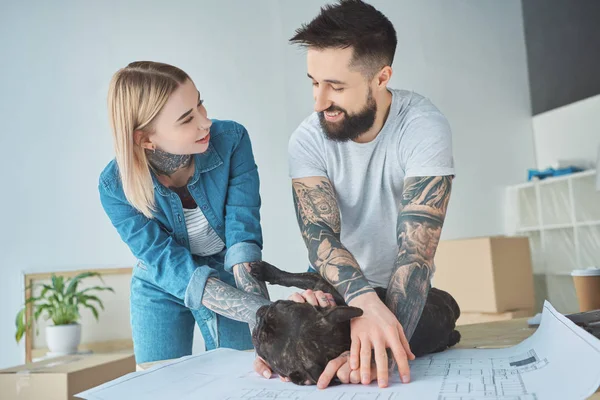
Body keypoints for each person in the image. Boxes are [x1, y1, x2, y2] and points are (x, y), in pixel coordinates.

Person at [256, 0, 455, 389]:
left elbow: (415, 254)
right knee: (292, 332)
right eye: (314, 82)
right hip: (338, 294)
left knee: (443, 313)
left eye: (336, 86)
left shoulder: (424, 127)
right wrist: (362, 303)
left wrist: (373, 342)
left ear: (381, 77)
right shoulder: (308, 139)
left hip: (401, 290)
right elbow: (320, 237)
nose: (319, 102)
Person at [99, 61, 273, 363]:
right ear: (145, 138)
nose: (205, 122)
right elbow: (162, 258)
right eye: (186, 119)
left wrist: (263, 315)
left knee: (243, 372)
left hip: (228, 272)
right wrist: (259, 311)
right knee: (158, 385)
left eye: (200, 104)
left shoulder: (231, 140)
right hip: (159, 281)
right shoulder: (115, 187)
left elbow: (242, 233)